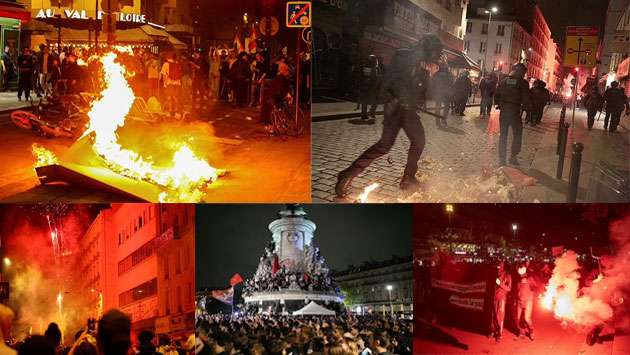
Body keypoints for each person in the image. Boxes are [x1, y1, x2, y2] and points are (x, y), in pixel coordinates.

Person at [335, 35, 443, 197]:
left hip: (403, 109)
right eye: (435, 52)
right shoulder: (406, 56)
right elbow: (392, 80)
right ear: (429, 49)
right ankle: (349, 174)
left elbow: (421, 93)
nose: (435, 56)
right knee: (396, 144)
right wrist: (397, 97)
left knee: (408, 142)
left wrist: (429, 75)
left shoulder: (420, 62)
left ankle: (407, 177)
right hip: (396, 107)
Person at [494, 63, 531, 166]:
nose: (524, 74)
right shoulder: (523, 83)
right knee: (517, 134)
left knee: (503, 136)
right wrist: (528, 110)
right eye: (524, 72)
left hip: (504, 111)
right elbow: (526, 98)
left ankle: (502, 159)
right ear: (521, 71)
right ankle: (513, 157)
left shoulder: (503, 81)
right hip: (515, 111)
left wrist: (499, 105)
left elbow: (496, 95)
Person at [261, 62, 292, 132]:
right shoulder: (281, 77)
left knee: (276, 109)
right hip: (274, 97)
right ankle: (277, 125)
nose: (288, 73)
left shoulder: (278, 77)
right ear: (284, 70)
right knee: (277, 108)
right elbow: (281, 89)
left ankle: (276, 125)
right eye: (287, 70)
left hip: (271, 96)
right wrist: (287, 95)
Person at [358, 54, 383, 122]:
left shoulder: (365, 67)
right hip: (372, 87)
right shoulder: (376, 68)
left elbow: (361, 76)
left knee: (365, 100)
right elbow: (379, 78)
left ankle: (365, 114)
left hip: (366, 86)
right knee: (373, 101)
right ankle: (370, 112)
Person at [491, 262, 512, 342]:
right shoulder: (494, 274)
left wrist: (501, 284)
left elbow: (509, 288)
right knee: (493, 315)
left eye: (500, 266)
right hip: (494, 298)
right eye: (498, 265)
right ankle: (493, 330)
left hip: (502, 298)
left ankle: (499, 334)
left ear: (504, 266)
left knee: (500, 316)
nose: (499, 267)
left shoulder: (507, 276)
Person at [429, 63, 453, 127]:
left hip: (438, 94)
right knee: (446, 107)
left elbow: (431, 85)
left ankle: (437, 122)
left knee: (438, 108)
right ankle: (443, 120)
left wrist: (433, 93)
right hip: (446, 94)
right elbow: (452, 84)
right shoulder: (449, 74)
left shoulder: (436, 74)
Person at [515, 265, 535, 340]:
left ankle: (531, 331)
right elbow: (518, 291)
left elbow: (535, 287)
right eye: (520, 274)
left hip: (528, 301)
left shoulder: (530, 279)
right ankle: (521, 332)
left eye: (522, 274)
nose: (521, 275)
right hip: (519, 301)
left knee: (527, 318)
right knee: (518, 318)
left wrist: (528, 282)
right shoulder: (518, 280)